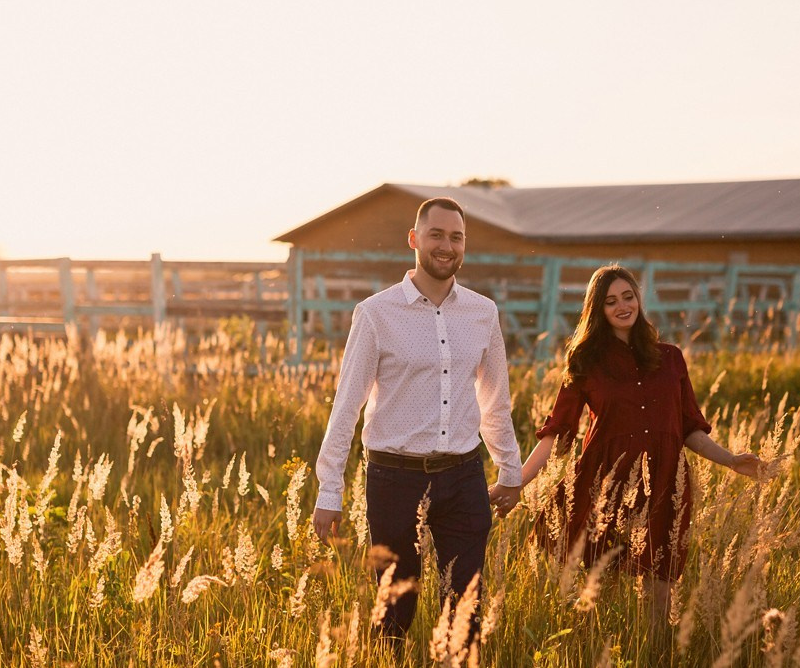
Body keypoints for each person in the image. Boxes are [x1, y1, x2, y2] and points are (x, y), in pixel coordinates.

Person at [490, 264, 763, 613]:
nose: (622, 306)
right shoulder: (584, 361)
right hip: (607, 484)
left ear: (638, 299)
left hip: (666, 482)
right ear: (597, 310)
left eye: (628, 297)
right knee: (605, 596)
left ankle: (657, 661)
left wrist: (731, 459)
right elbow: (555, 432)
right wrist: (515, 481)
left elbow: (688, 429)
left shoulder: (670, 359)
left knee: (660, 590)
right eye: (610, 301)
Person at [312, 196, 523, 638]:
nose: (447, 246)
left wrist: (510, 468)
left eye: (456, 237)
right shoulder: (375, 314)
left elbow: (495, 401)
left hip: (464, 478)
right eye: (436, 235)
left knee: (465, 609)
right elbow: (346, 406)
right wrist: (329, 491)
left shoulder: (483, 313)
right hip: (394, 480)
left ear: (465, 245)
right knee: (394, 611)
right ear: (414, 239)